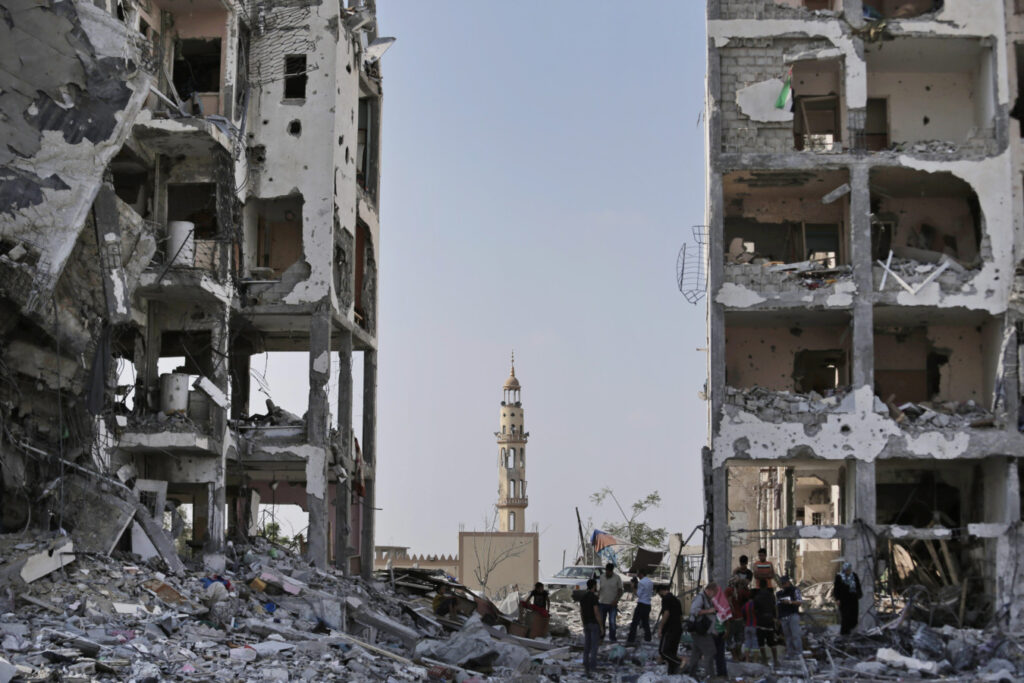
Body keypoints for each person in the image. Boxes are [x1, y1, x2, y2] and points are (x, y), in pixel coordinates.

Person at [685, 583, 721, 679]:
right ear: (709, 590)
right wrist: (709, 611)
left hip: (703, 631)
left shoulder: (707, 599)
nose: (715, 595)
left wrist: (713, 630)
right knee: (710, 651)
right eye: (714, 592)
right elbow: (693, 611)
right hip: (700, 631)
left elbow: (709, 617)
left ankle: (692, 674)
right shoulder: (700, 598)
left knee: (696, 653)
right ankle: (710, 676)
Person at [655, 583, 683, 674]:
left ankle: (679, 663)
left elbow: (666, 613)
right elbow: (681, 617)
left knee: (663, 651)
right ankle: (672, 672)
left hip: (669, 629)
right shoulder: (676, 600)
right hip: (678, 629)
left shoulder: (666, 599)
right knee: (672, 652)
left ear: (660, 591)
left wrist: (660, 627)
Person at [753, 579, 779, 666]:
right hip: (770, 621)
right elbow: (774, 608)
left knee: (761, 643)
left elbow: (755, 610)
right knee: (772, 641)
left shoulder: (757, 597)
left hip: (760, 621)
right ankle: (775, 660)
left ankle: (765, 661)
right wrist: (775, 618)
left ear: (759, 586)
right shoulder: (771, 596)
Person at [776, 575, 803, 659]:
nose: (784, 585)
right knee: (787, 637)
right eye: (782, 584)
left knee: (795, 635)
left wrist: (790, 602)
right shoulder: (779, 593)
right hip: (783, 617)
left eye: (785, 583)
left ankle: (799, 653)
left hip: (793, 615)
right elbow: (778, 606)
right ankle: (790, 653)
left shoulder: (795, 590)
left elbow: (799, 602)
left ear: (788, 582)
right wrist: (778, 618)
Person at [580, 578, 603, 677]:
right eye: (596, 585)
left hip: (586, 623)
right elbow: (596, 612)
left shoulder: (583, 597)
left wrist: (583, 623)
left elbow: (581, 612)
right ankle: (593, 666)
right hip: (594, 624)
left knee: (587, 645)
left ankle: (585, 663)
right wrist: (601, 626)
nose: (596, 587)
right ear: (593, 586)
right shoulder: (594, 598)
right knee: (594, 646)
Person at [725, 575, 751, 660]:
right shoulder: (740, 591)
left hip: (731, 618)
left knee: (729, 638)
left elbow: (728, 604)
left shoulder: (728, 590)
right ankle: (739, 654)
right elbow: (747, 597)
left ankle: (735, 656)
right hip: (740, 617)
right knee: (739, 638)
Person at [834, 561, 863, 635]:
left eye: (849, 570)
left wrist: (859, 594)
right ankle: (844, 633)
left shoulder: (854, 576)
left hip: (853, 600)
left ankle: (852, 631)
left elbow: (858, 586)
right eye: (847, 570)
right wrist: (837, 599)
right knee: (845, 617)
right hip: (844, 600)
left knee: (853, 616)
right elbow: (836, 589)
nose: (848, 571)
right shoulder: (839, 577)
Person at [597, 562, 623, 641]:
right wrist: (597, 598)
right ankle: (601, 636)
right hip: (602, 603)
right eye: (607, 571)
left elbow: (620, 590)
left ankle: (612, 638)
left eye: (609, 571)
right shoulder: (601, 577)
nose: (608, 572)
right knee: (601, 621)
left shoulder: (617, 578)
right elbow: (599, 589)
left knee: (612, 622)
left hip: (612, 604)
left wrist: (616, 600)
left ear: (612, 571)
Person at [627, 568, 654, 643]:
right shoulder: (650, 582)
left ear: (641, 574)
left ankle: (631, 639)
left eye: (638, 574)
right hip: (648, 604)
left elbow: (638, 594)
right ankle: (648, 638)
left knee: (635, 623)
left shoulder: (641, 582)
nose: (637, 575)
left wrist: (633, 587)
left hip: (641, 604)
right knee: (645, 622)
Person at [740, 594, 760, 662]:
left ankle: (747, 659)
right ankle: (755, 660)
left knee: (747, 642)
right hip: (754, 625)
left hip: (747, 626)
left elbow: (742, 614)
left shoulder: (745, 605)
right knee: (755, 642)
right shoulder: (755, 605)